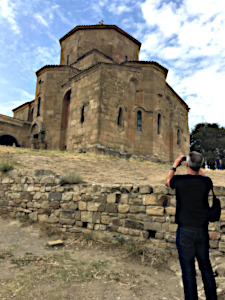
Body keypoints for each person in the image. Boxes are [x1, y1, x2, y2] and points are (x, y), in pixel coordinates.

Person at [165, 151, 217, 300]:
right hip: (202, 231)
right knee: (206, 268)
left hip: (185, 231)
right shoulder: (206, 182)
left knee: (188, 271)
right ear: (200, 166)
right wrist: (195, 165)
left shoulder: (179, 180)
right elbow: (203, 175)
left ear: (186, 164)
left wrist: (175, 165)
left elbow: (167, 181)